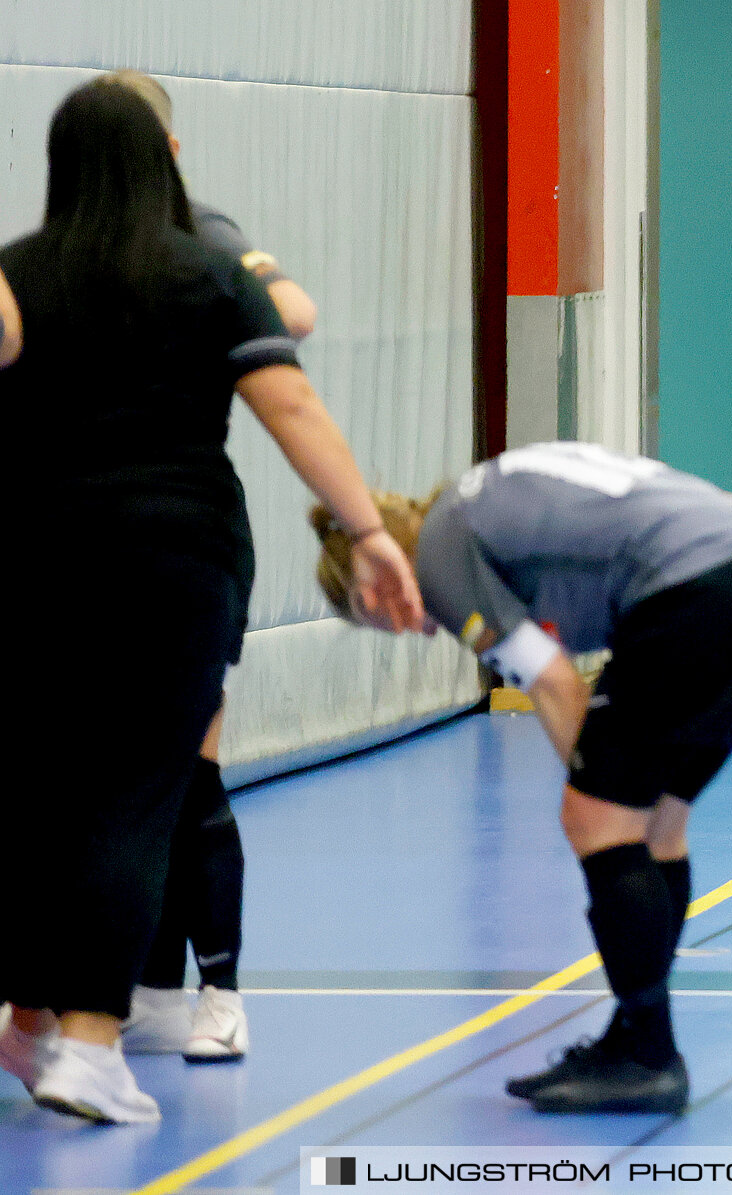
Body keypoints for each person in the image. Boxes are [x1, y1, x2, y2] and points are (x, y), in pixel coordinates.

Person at [0, 79, 423, 1125]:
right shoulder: (210, 271)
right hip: (174, 563)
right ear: (164, 160)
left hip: (42, 560)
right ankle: (90, 1046)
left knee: (47, 792)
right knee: (140, 798)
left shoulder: (18, 272)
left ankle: (33, 1014)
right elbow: (290, 402)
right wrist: (368, 530)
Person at [311, 441, 732, 1114]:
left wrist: (595, 799)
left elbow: (552, 684)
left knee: (599, 820)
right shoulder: (470, 509)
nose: (419, 632)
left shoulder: (439, 554)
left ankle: (649, 1055)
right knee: (659, 825)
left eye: (389, 618)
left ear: (377, 577)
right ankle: (636, 1033)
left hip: (704, 583)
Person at [100, 68, 322, 1065]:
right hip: (93, 542)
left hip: (191, 543)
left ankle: (221, 992)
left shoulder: (207, 236)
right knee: (117, 773)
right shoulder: (66, 255)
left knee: (191, 764)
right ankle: (144, 981)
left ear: (170, 154)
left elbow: (295, 312)